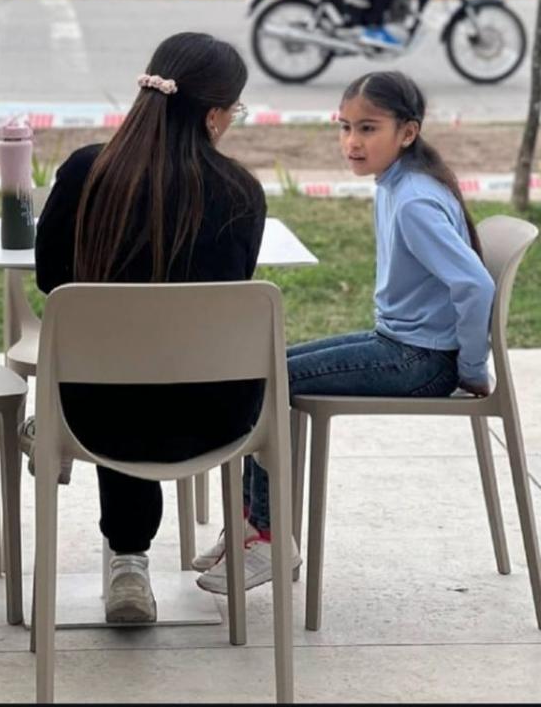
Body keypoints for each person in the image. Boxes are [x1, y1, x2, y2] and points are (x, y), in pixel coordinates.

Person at [194, 69, 495, 596]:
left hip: (420, 361)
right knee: (260, 366)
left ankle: (266, 535)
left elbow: (475, 285)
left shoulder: (416, 200)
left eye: (368, 129)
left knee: (266, 378)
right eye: (345, 127)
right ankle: (250, 525)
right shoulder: (398, 184)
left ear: (407, 132)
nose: (352, 143)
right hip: (402, 346)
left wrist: (471, 368)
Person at [34, 32, 267, 626]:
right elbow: (231, 291)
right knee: (154, 372)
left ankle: (127, 560)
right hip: (220, 418)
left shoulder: (87, 171)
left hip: (95, 421)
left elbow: (49, 282)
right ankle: (141, 561)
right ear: (215, 114)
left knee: (119, 375)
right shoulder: (241, 192)